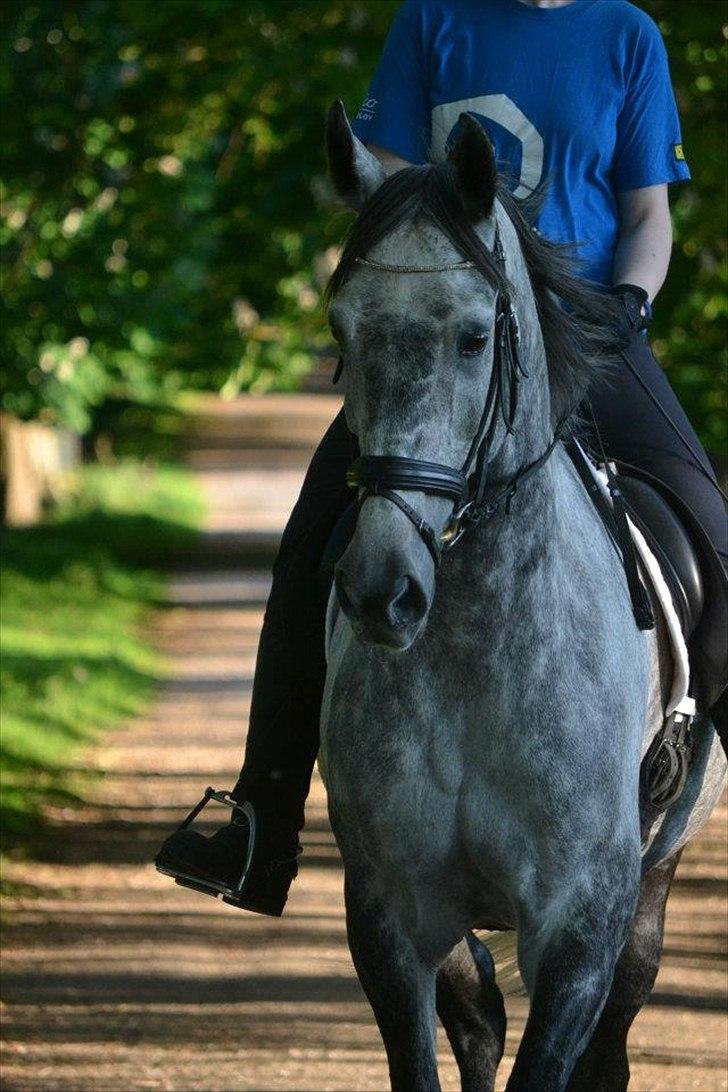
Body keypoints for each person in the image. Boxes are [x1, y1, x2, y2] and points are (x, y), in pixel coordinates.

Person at [155, 0, 728, 916]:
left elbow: (647, 211)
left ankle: (701, 759)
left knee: (709, 518)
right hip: (446, 336)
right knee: (311, 544)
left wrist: (631, 300)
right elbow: (390, 176)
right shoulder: (432, 20)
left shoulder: (627, 34)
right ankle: (260, 821)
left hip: (585, 327)